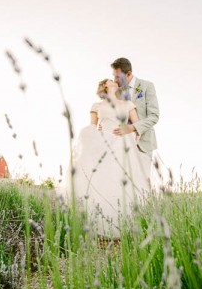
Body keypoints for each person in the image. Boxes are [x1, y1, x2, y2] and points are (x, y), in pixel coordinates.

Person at [59, 78, 151, 239]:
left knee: (122, 180)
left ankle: (125, 225)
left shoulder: (128, 104)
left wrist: (129, 133)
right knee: (102, 181)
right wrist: (95, 132)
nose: (113, 80)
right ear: (104, 86)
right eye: (110, 80)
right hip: (103, 142)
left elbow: (138, 126)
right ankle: (99, 224)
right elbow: (92, 127)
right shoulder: (97, 106)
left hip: (122, 142)